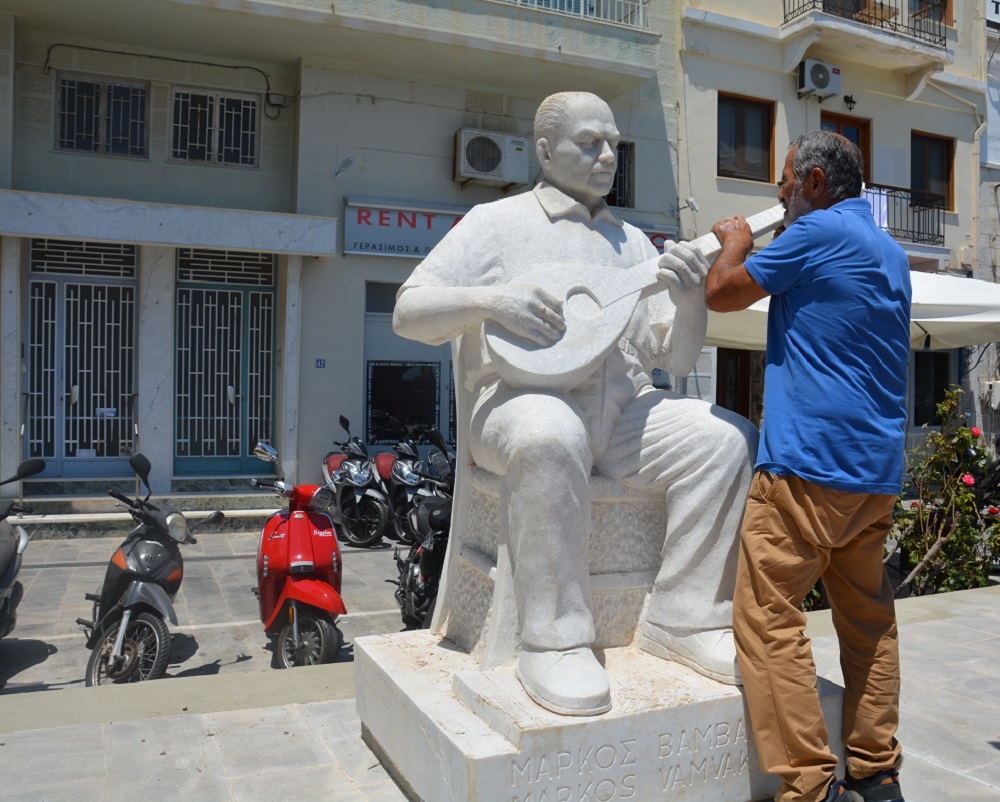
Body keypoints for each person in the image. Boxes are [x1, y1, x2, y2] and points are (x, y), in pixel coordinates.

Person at [393, 91, 758, 716]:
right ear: (544, 150)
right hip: (518, 404)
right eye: (589, 143)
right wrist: (490, 301)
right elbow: (407, 311)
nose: (607, 156)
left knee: (725, 439)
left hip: (623, 411)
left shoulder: (634, 243)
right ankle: (554, 640)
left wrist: (690, 301)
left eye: (614, 144)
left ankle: (687, 618)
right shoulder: (495, 223)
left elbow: (674, 359)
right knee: (550, 433)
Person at [686, 131, 910, 802]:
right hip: (874, 473)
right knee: (868, 622)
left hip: (807, 466)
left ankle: (811, 786)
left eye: (785, 179)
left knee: (767, 616)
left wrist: (734, 241)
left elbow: (723, 292)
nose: (778, 191)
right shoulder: (889, 252)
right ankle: (876, 772)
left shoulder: (814, 234)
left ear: (814, 182)